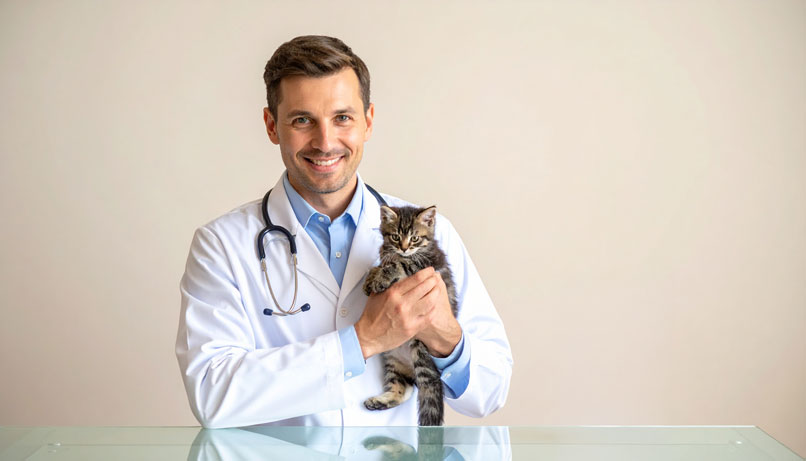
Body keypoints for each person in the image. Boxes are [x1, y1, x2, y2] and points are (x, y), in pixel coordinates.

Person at [175, 35, 512, 428]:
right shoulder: (221, 246)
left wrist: (447, 337)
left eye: (342, 118)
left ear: (368, 121)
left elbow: (491, 390)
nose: (325, 142)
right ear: (271, 126)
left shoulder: (433, 235)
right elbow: (212, 395)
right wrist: (362, 340)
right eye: (303, 120)